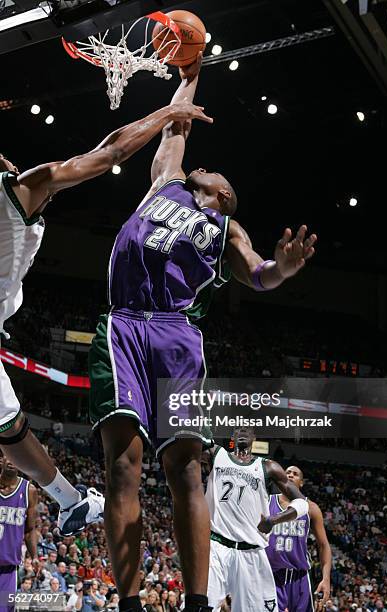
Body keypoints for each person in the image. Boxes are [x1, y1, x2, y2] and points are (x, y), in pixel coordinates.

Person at [88, 52, 316, 612]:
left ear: (224, 193)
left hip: (176, 335)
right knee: (122, 465)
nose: (205, 166)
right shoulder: (164, 183)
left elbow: (259, 272)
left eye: (216, 173)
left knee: (186, 469)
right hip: (122, 325)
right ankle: (130, 602)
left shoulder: (225, 225)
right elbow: (178, 120)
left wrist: (282, 269)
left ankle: (195, 603)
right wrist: (190, 68)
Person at [0, 97, 211, 539]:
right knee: (10, 432)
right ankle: (70, 500)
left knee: (12, 430)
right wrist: (166, 116)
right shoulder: (20, 189)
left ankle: (69, 500)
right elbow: (110, 154)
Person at [203, 428, 309, 612]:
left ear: (254, 438)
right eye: (238, 430)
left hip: (251, 552)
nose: (242, 431)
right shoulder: (215, 453)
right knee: (203, 604)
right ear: (232, 438)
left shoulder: (268, 466)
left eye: (247, 430)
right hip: (216, 546)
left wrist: (274, 520)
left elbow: (302, 503)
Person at [265, 465, 332, 612]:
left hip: (299, 577)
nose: (290, 475)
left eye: (295, 474)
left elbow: (324, 545)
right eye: (287, 472)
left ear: (301, 482)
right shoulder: (266, 502)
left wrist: (326, 579)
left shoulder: (311, 508)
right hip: (271, 575)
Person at [0, 452, 37, 612]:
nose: (12, 461)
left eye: (16, 457)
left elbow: (29, 530)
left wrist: (34, 556)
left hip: (8, 569)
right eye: (9, 455)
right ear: (1, 459)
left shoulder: (29, 490)